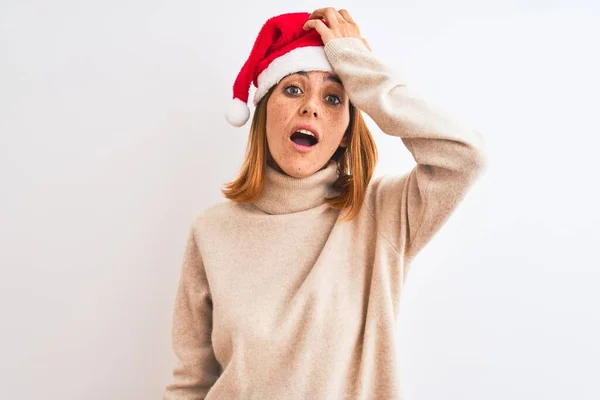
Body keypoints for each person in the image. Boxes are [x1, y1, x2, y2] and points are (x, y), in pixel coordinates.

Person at [163, 8, 487, 400]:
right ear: (264, 110)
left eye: (334, 98)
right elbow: (191, 383)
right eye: (294, 89)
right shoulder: (210, 231)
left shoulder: (383, 215)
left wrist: (360, 67)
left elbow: (465, 156)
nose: (311, 108)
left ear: (348, 131)